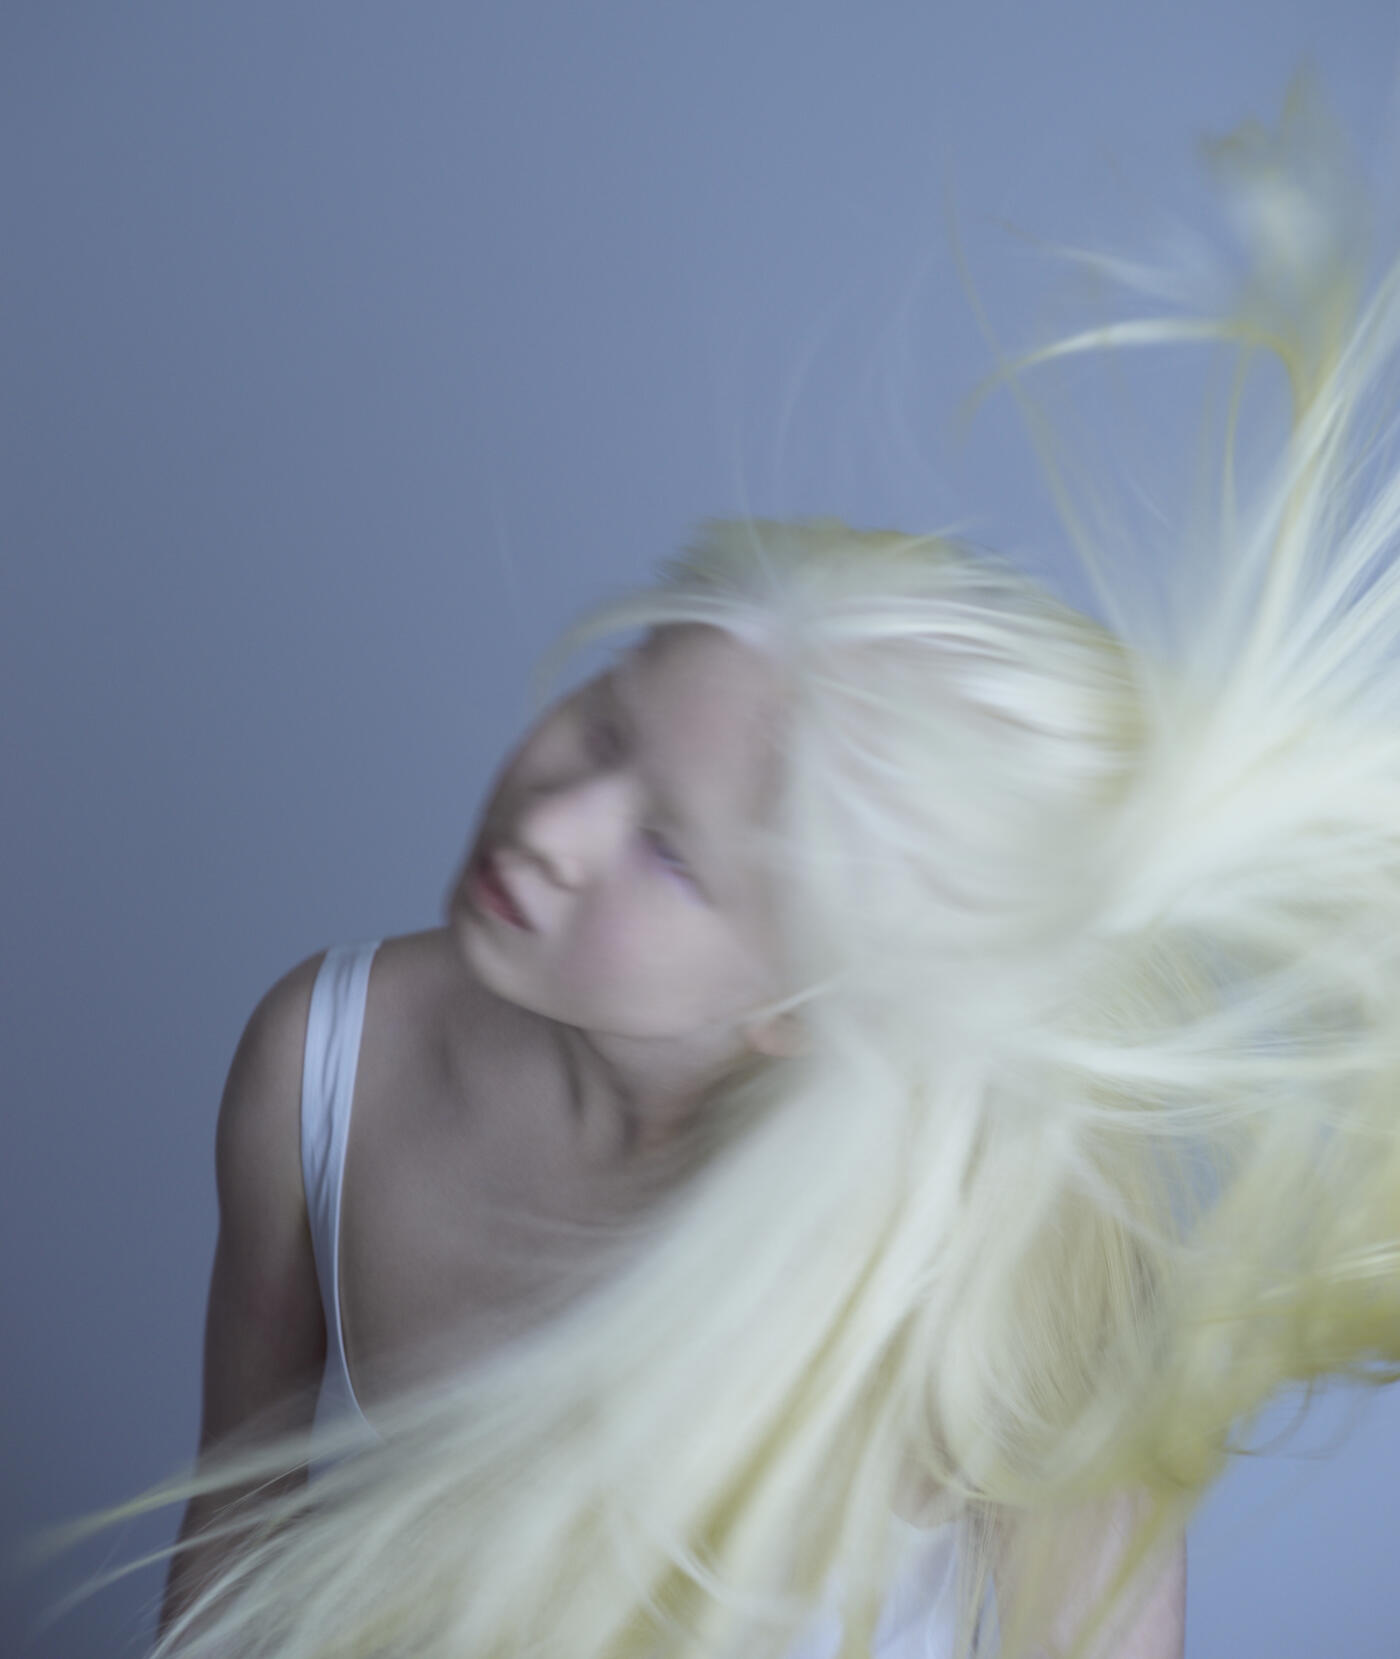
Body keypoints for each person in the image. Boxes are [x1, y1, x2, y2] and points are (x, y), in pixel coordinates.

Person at [125, 85, 1400, 1658]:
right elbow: (240, 1528)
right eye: (601, 720)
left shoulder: (998, 1251)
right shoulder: (322, 1062)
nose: (552, 822)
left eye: (668, 850)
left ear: (806, 999)